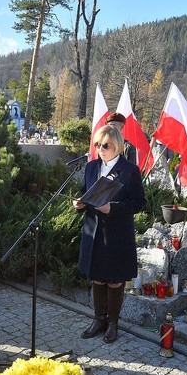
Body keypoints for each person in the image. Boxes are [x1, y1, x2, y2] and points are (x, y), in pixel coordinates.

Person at [73, 125, 145, 343]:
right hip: (93, 230)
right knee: (98, 277)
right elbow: (86, 191)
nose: (100, 149)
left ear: (118, 146)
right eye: (97, 145)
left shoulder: (129, 170)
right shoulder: (91, 166)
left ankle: (113, 323)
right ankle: (98, 320)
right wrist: (80, 203)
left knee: (114, 280)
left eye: (105, 145)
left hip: (117, 232)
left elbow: (139, 203)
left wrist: (113, 208)